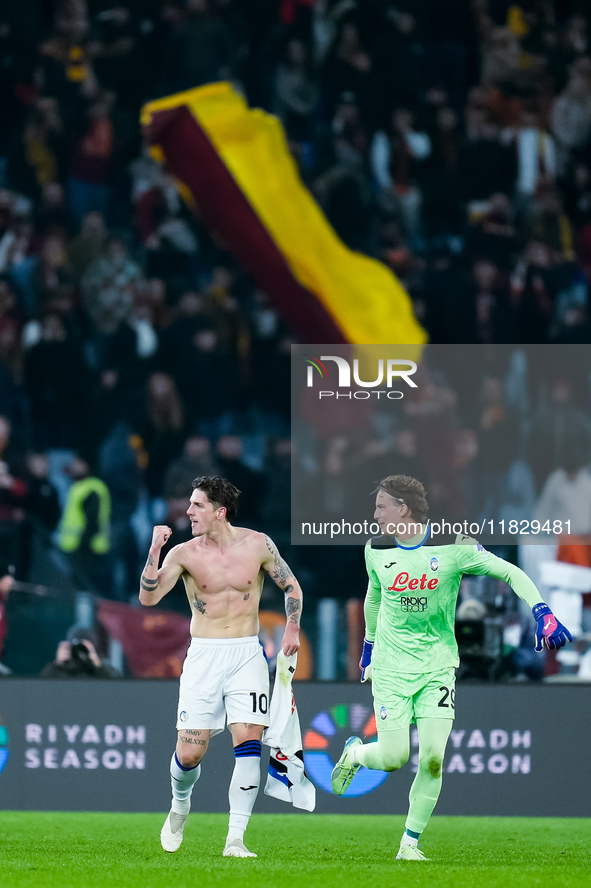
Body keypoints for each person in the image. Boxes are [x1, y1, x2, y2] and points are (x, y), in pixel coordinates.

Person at [331, 474, 572, 861]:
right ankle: (356, 754)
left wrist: (541, 609)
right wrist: (369, 647)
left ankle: (409, 843)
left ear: (402, 509)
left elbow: (509, 571)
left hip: (438, 665)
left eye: (380, 507)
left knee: (432, 757)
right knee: (393, 758)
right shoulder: (375, 547)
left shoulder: (454, 545)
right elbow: (373, 597)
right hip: (392, 666)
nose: (374, 515)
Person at [139, 475, 302, 859]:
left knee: (248, 743)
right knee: (190, 754)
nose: (188, 511)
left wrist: (292, 625)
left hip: (247, 653)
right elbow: (148, 598)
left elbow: (291, 587)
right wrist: (155, 550)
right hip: (204, 656)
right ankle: (180, 804)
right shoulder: (184, 552)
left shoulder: (258, 544)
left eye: (197, 505)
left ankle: (235, 839)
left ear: (219, 511)